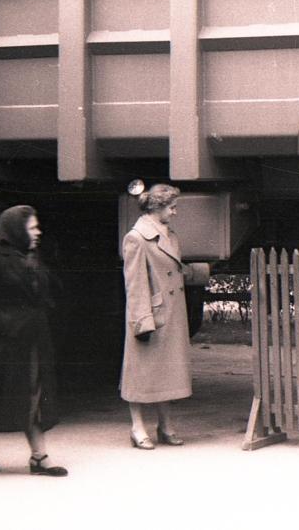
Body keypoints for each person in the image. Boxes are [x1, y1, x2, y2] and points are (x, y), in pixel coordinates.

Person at [0, 205, 67, 476]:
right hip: (2, 341)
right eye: (32, 227)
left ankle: (39, 456)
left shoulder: (31, 256)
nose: (38, 232)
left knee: (34, 394)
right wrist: (3, 323)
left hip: (33, 340)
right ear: (15, 229)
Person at [120, 183, 196, 449]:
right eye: (171, 207)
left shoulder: (169, 235)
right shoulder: (136, 238)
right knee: (139, 373)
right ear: (157, 208)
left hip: (170, 313)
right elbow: (135, 284)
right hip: (150, 314)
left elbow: (174, 269)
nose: (175, 212)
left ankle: (165, 425)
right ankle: (137, 427)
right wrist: (142, 320)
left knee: (166, 371)